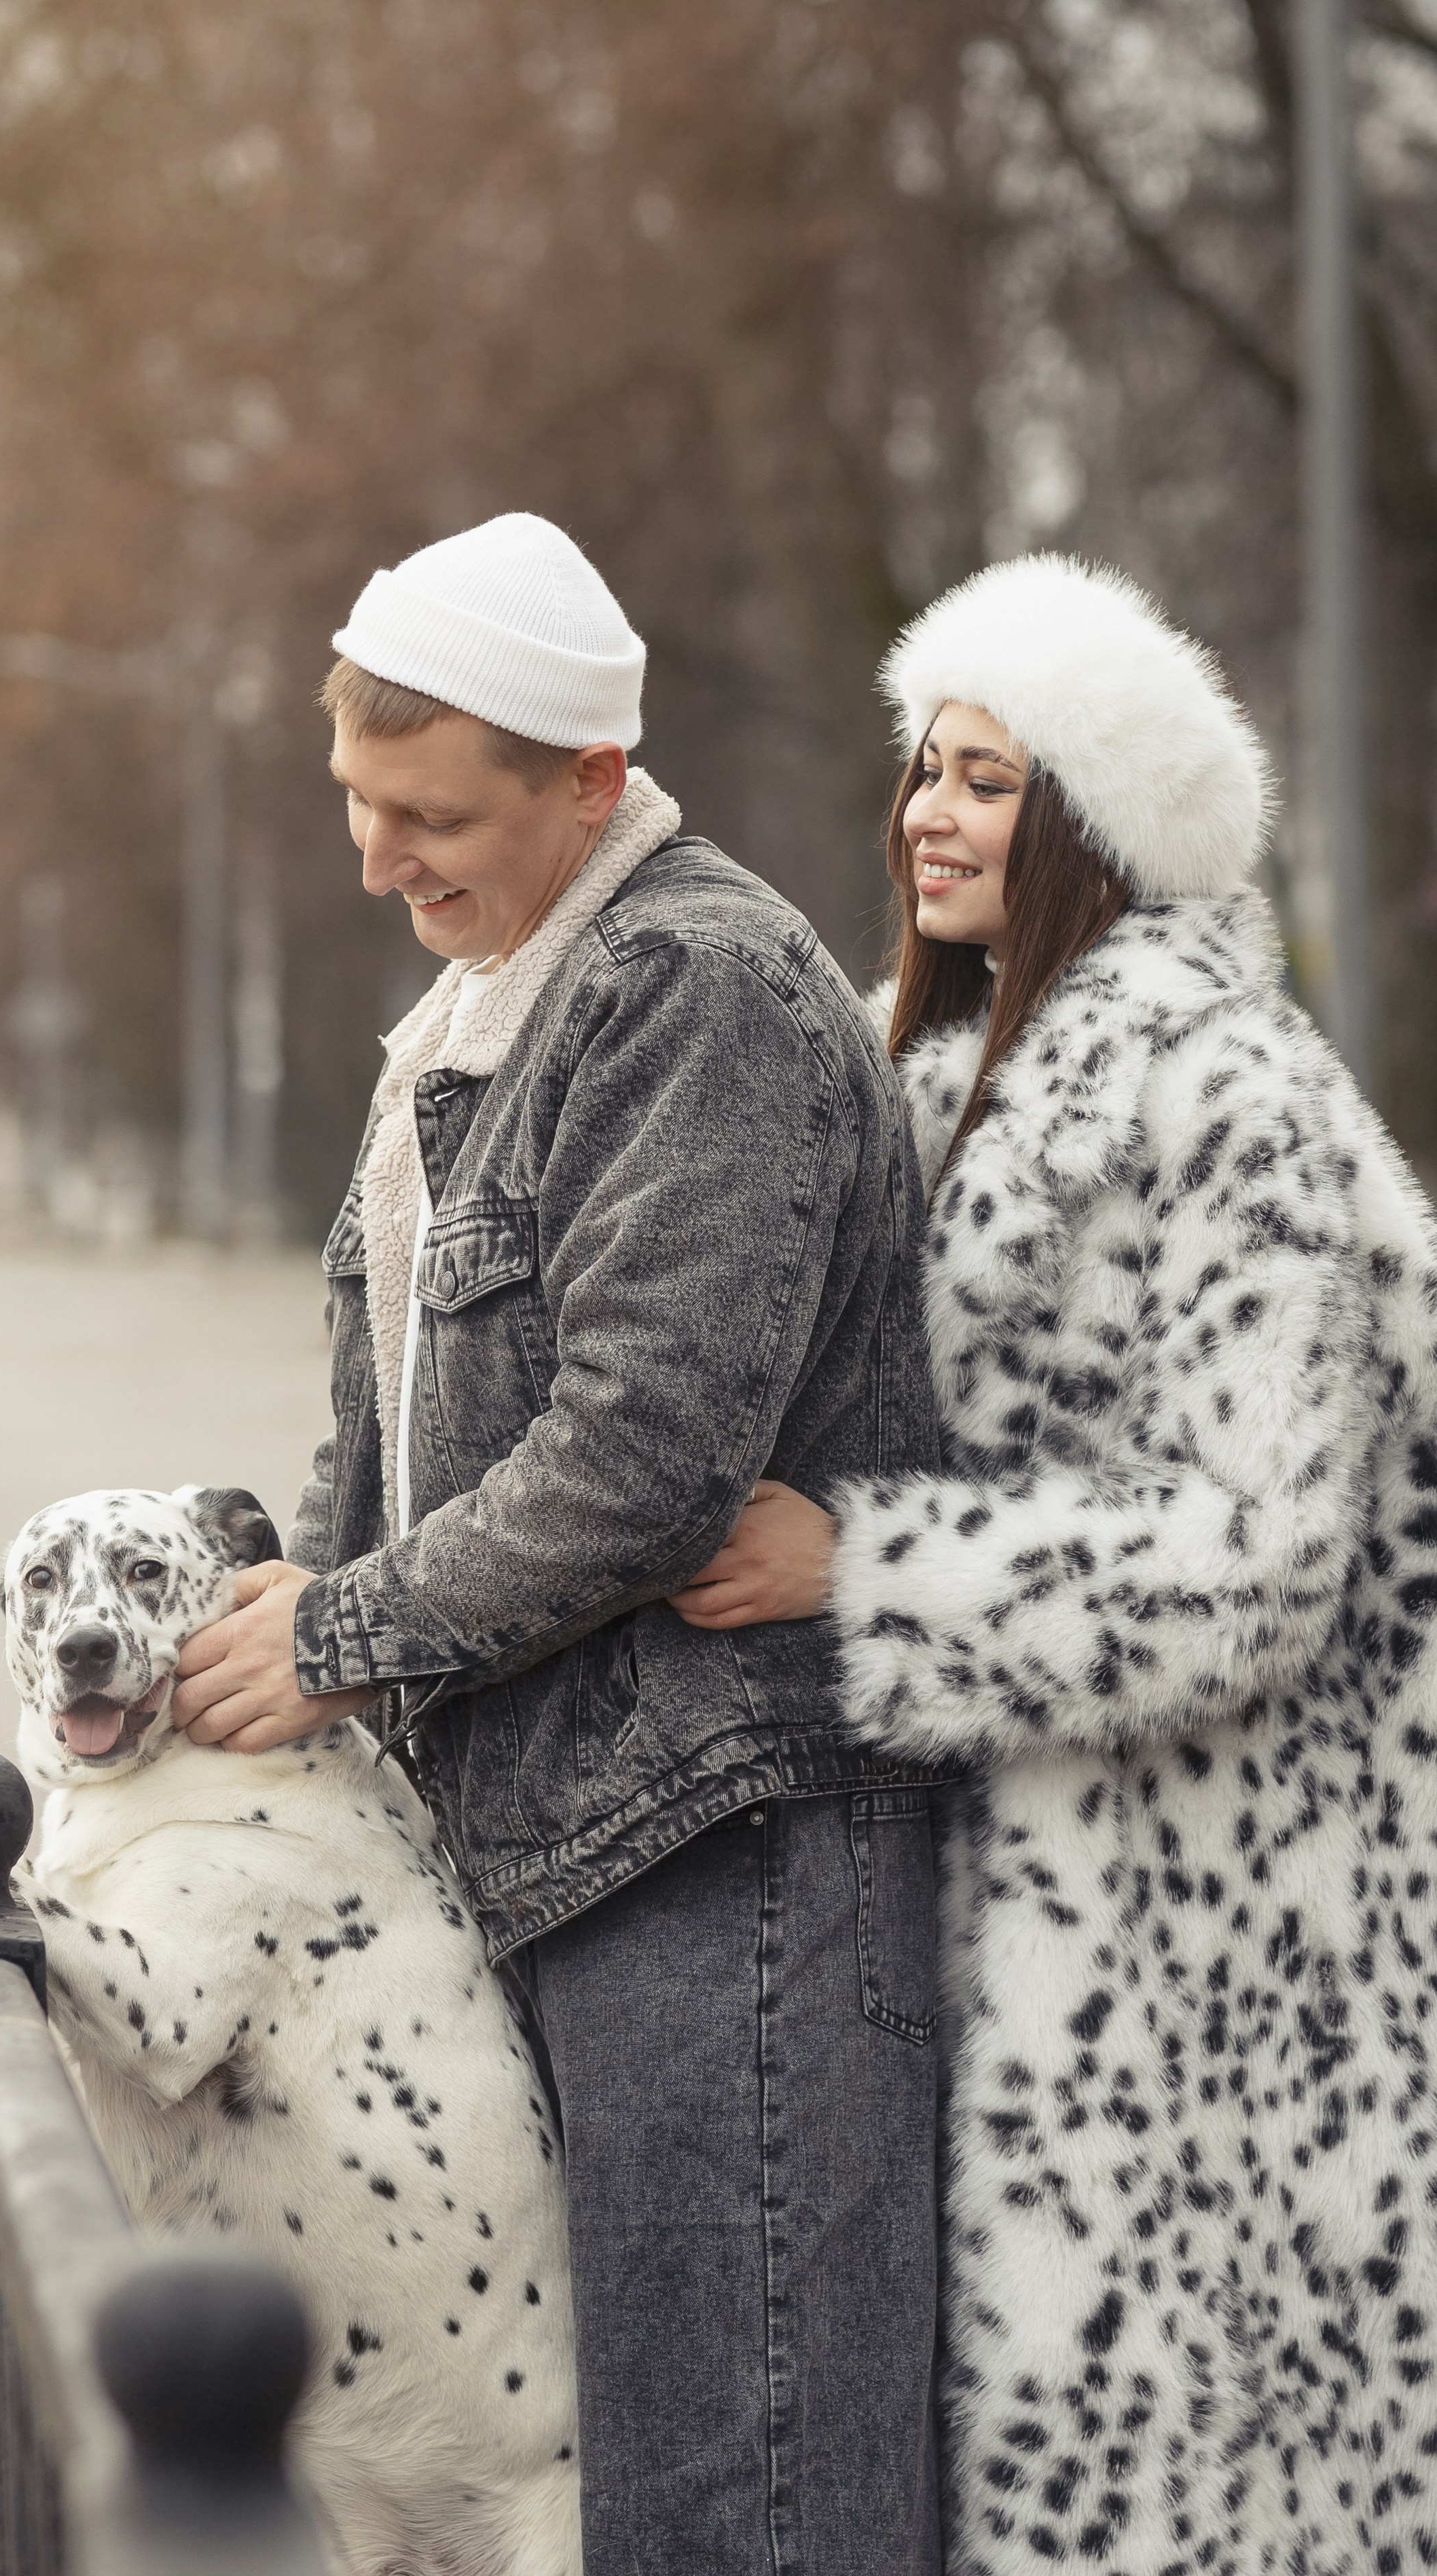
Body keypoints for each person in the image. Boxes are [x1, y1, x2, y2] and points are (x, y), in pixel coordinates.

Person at [168, 511, 947, 2571]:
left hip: (737, 1870)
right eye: (356, 801)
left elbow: (646, 1450)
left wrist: (343, 1631)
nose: (377, 860)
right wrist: (302, 1603)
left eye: (430, 815)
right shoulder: (483, 1019)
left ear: (591, 780)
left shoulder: (691, 986)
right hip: (584, 1858)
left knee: (739, 2510)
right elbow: (394, 1424)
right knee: (631, 2501)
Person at [672, 552, 1437, 2572]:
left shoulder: (1229, 1093)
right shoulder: (927, 1078)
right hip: (1002, 1894)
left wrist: (871, 1574)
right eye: (922, 768)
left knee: (1162, 2495)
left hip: (1215, 1944)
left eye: (985, 779)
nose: (925, 813)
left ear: (1094, 823)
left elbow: (1264, 1551)